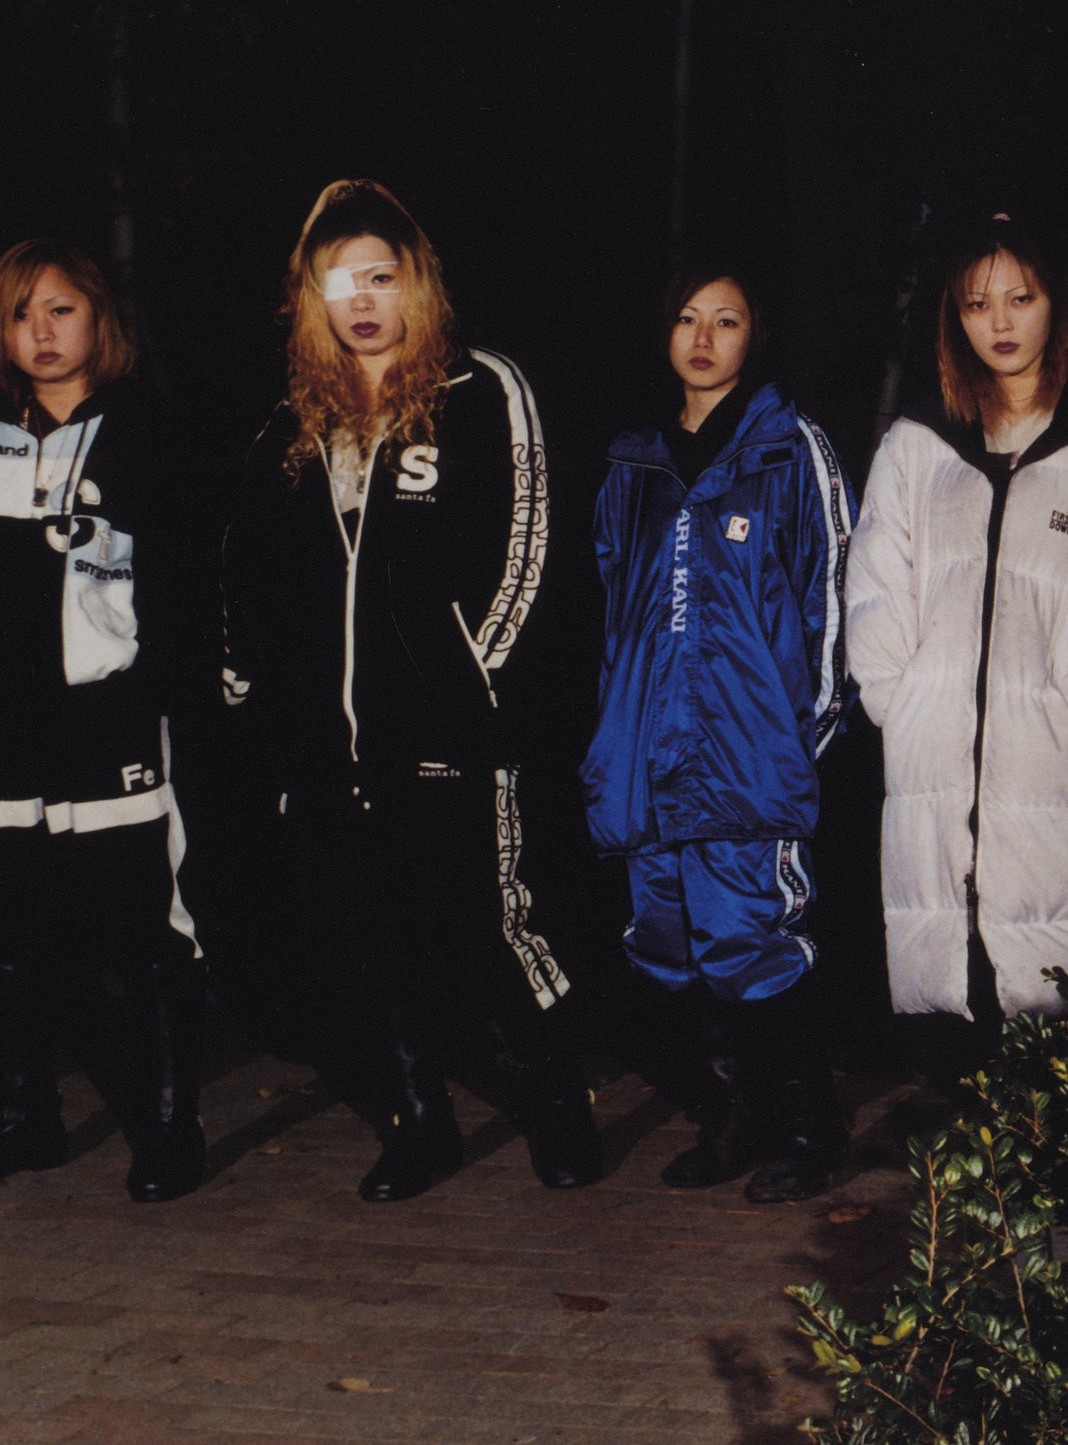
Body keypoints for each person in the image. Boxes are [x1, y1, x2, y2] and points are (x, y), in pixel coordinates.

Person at [221, 179, 602, 1202]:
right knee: (363, 936)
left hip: (454, 729)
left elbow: (530, 545)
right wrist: (256, 700)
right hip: (332, 746)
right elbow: (248, 577)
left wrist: (479, 684)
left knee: (491, 924)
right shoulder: (293, 427)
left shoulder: (482, 390)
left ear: (415, 284)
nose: (360, 301)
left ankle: (557, 1096)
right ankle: (418, 1120)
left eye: (378, 278)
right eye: (337, 284)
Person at [0, 239, 207, 1203]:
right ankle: (17, 1120)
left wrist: (153, 694)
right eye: (22, 311)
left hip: (102, 730)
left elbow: (187, 591)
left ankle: (166, 1130)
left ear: (99, 320)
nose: (41, 329)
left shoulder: (150, 429)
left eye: (61, 308)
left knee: (136, 929)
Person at [581, 260, 855, 1202]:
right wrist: (613, 738)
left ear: (756, 335)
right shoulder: (632, 461)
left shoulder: (788, 448)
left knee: (753, 937)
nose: (703, 339)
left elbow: (830, 598)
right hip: (648, 758)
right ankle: (735, 1117)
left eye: (726, 320)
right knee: (673, 941)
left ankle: (811, 1126)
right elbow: (612, 608)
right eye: (687, 318)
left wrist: (803, 735)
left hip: (749, 756)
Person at [848, 213, 1068, 1051]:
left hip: (1056, 765)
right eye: (974, 304)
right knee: (957, 1014)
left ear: (1056, 304)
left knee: (1066, 1012)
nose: (998, 324)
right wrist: (900, 696)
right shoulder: (917, 443)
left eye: (1018, 298)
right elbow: (875, 589)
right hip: (934, 769)